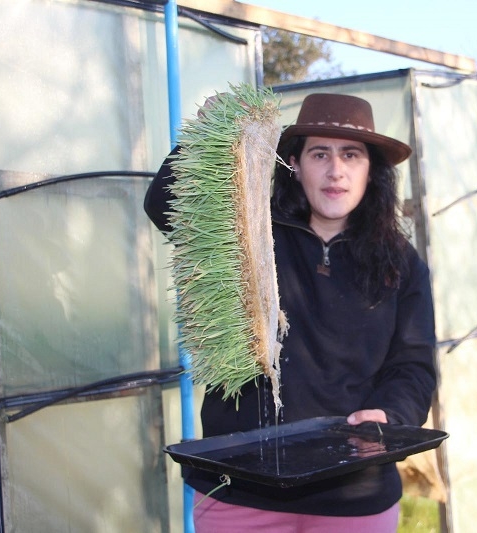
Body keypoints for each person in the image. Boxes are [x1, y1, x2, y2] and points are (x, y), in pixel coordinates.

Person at [145, 92, 436, 532]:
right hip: (239, 488)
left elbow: (413, 367)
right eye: (320, 154)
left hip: (354, 493)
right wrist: (209, 132)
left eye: (351, 155)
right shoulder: (248, 238)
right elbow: (165, 204)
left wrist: (389, 415)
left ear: (370, 169)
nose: (335, 170)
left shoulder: (400, 263)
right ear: (295, 164)